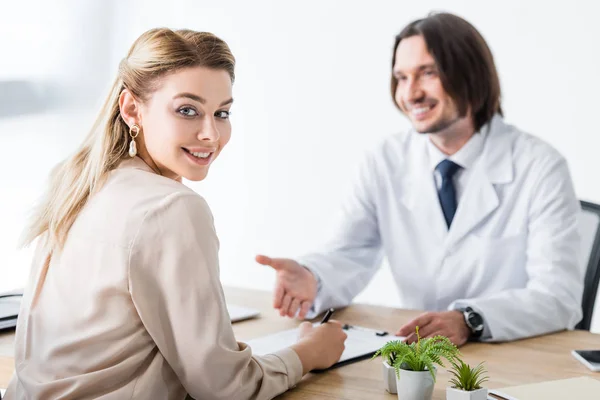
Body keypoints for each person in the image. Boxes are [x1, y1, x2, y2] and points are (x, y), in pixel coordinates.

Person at [5, 28, 346, 400]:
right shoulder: (172, 208)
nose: (211, 134)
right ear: (131, 108)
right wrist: (309, 353)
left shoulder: (78, 183)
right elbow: (227, 389)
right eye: (188, 110)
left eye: (222, 113)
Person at [257, 12, 583, 346]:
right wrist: (313, 277)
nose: (411, 93)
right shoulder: (385, 160)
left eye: (427, 73)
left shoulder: (540, 166)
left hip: (514, 357)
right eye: (401, 77)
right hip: (416, 355)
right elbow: (349, 251)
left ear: (471, 74)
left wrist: (469, 319)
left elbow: (559, 296)